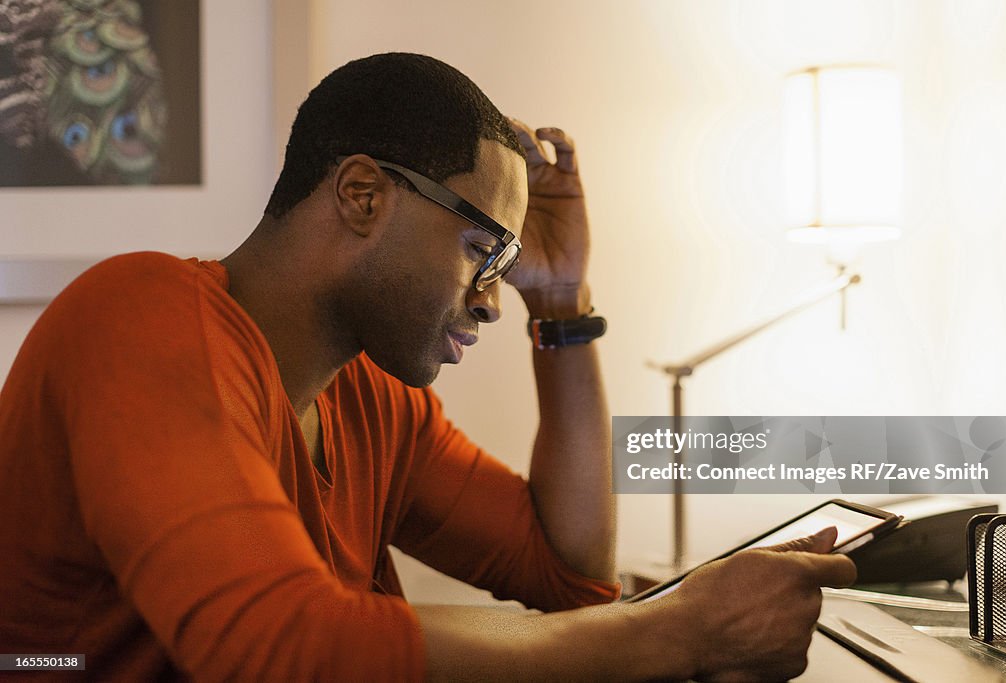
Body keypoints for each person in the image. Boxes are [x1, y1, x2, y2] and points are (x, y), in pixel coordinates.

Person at [0, 52, 855, 681]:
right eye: (483, 249)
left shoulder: (370, 399)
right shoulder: (140, 316)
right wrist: (684, 633)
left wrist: (560, 301)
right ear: (363, 195)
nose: (492, 297)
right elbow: (284, 651)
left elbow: (568, 572)